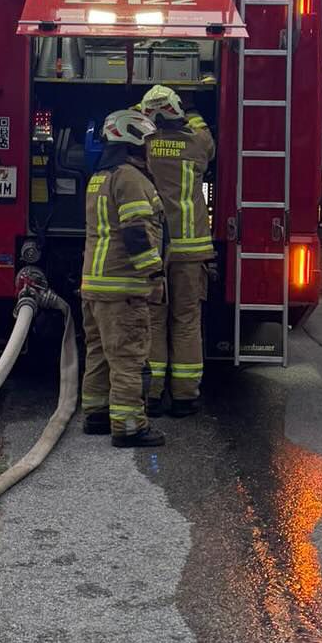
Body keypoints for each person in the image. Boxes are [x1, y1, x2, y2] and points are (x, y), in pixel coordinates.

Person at [80, 107, 167, 449]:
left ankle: (97, 414)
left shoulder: (99, 177)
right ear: (133, 140)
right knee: (129, 358)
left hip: (95, 286)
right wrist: (154, 272)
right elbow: (135, 232)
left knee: (99, 353)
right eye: (146, 141)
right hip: (124, 287)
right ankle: (129, 426)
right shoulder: (130, 178)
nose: (149, 148)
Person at [137, 84, 215, 417]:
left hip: (154, 250)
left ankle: (152, 396)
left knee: (153, 321)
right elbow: (209, 143)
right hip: (190, 250)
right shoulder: (196, 143)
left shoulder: (144, 147)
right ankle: (184, 397)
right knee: (186, 322)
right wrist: (193, 108)